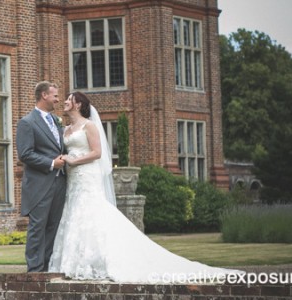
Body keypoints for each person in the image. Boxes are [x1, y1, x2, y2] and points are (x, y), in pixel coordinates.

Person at [47, 91, 242, 283]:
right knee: (74, 213)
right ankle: (74, 263)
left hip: (86, 175)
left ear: (78, 104)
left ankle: (100, 261)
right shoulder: (66, 129)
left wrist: (75, 160)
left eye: (69, 99)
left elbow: (97, 153)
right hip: (72, 179)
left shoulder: (89, 126)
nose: (64, 101)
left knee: (91, 212)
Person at [16, 81, 68, 272]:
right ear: (44, 95)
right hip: (39, 184)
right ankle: (35, 271)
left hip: (60, 182)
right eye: (55, 95)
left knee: (53, 226)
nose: (58, 99)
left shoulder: (56, 121)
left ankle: (47, 268)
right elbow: (25, 154)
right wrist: (52, 163)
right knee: (38, 227)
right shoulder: (27, 122)